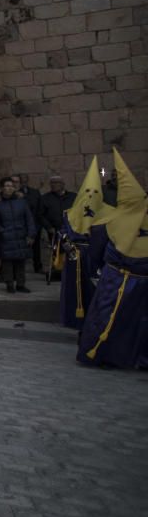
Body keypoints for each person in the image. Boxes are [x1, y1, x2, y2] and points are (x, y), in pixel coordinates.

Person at [77, 149, 148, 368]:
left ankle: (104, 355)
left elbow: (96, 252)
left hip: (116, 279)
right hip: (135, 280)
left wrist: (97, 269)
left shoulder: (110, 220)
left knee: (111, 317)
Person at [58, 158, 106, 330]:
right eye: (87, 192)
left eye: (94, 192)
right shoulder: (70, 214)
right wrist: (67, 244)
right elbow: (63, 232)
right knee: (75, 289)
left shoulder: (108, 214)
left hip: (97, 257)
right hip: (76, 257)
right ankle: (73, 319)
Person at [0, 177, 37, 293]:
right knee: (7, 262)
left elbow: (29, 219)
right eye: (6, 186)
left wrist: (31, 234)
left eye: (11, 186)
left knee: (20, 261)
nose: (8, 188)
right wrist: (2, 231)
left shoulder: (22, 202)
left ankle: (20, 284)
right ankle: (9, 284)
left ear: (14, 188)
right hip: (6, 237)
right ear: (2, 188)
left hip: (20, 235)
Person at [13, 173, 43, 273]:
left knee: (36, 248)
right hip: (20, 225)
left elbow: (39, 209)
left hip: (34, 223)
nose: (24, 182)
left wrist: (38, 224)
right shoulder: (15, 193)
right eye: (22, 180)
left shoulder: (35, 192)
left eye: (25, 180)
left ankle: (38, 267)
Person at [39, 175, 76, 248]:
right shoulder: (45, 198)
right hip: (54, 232)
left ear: (63, 184)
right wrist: (49, 227)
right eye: (52, 183)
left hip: (72, 231)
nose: (53, 185)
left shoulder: (73, 197)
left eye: (56, 182)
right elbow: (40, 215)